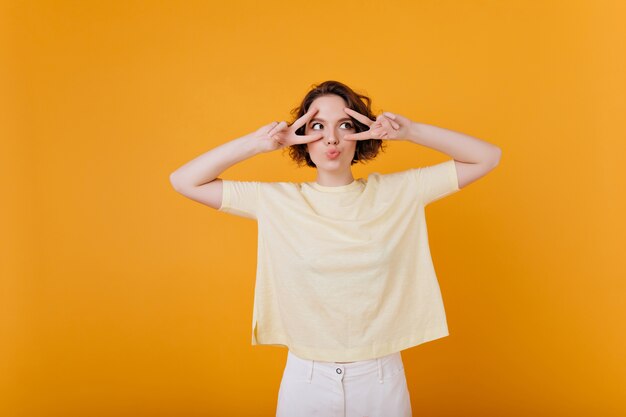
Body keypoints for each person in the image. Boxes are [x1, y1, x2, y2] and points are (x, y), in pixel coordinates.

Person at [169, 80, 502, 417]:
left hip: (380, 379)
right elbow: (184, 180)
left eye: (345, 125)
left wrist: (410, 131)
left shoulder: (399, 192)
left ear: (362, 134)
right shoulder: (275, 201)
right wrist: (257, 143)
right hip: (307, 379)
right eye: (317, 126)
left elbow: (487, 158)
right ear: (302, 138)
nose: (331, 138)